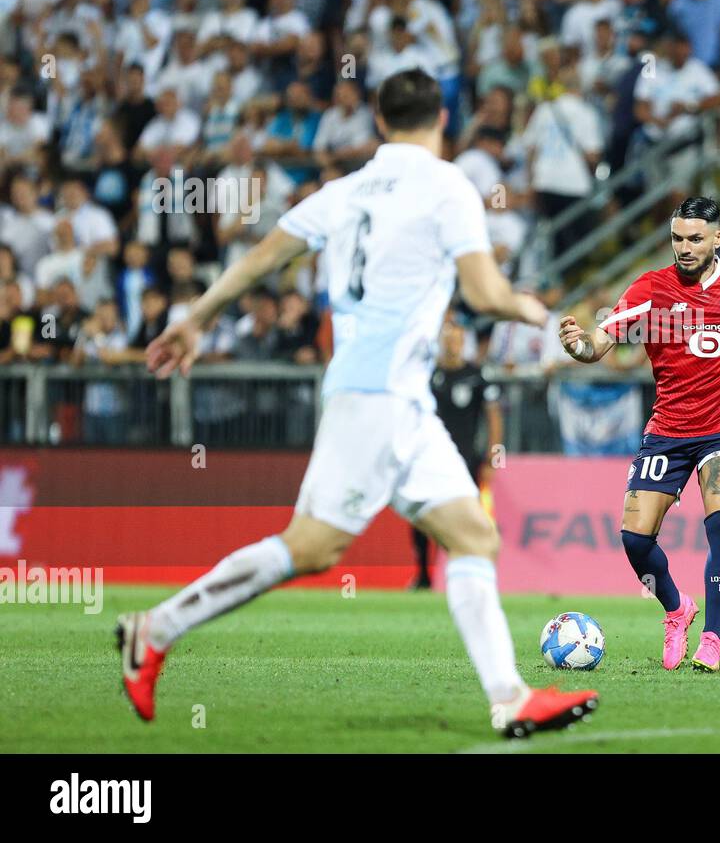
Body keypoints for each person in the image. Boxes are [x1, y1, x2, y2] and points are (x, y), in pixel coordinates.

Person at [120, 69, 598, 739]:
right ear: (442, 121)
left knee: (472, 535)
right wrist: (531, 307)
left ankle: (510, 697)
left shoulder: (341, 192)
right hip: (378, 396)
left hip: (390, 395)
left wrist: (196, 318)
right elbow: (487, 294)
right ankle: (155, 628)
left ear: (378, 122)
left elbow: (260, 257)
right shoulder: (447, 184)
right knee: (313, 549)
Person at [556, 196, 720, 672]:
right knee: (635, 539)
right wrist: (578, 347)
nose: (684, 248)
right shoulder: (649, 289)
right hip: (669, 427)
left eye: (695, 239)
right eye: (677, 238)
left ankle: (712, 637)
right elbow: (599, 344)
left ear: (718, 238)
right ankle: (677, 609)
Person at [408, 315, 502, 590]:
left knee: (466, 518)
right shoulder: (427, 375)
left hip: (465, 461)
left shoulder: (476, 376)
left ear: (464, 341)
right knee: (422, 516)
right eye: (448, 337)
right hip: (427, 459)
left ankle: (463, 574)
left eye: (457, 337)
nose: (453, 343)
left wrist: (492, 458)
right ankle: (423, 574)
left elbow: (494, 417)